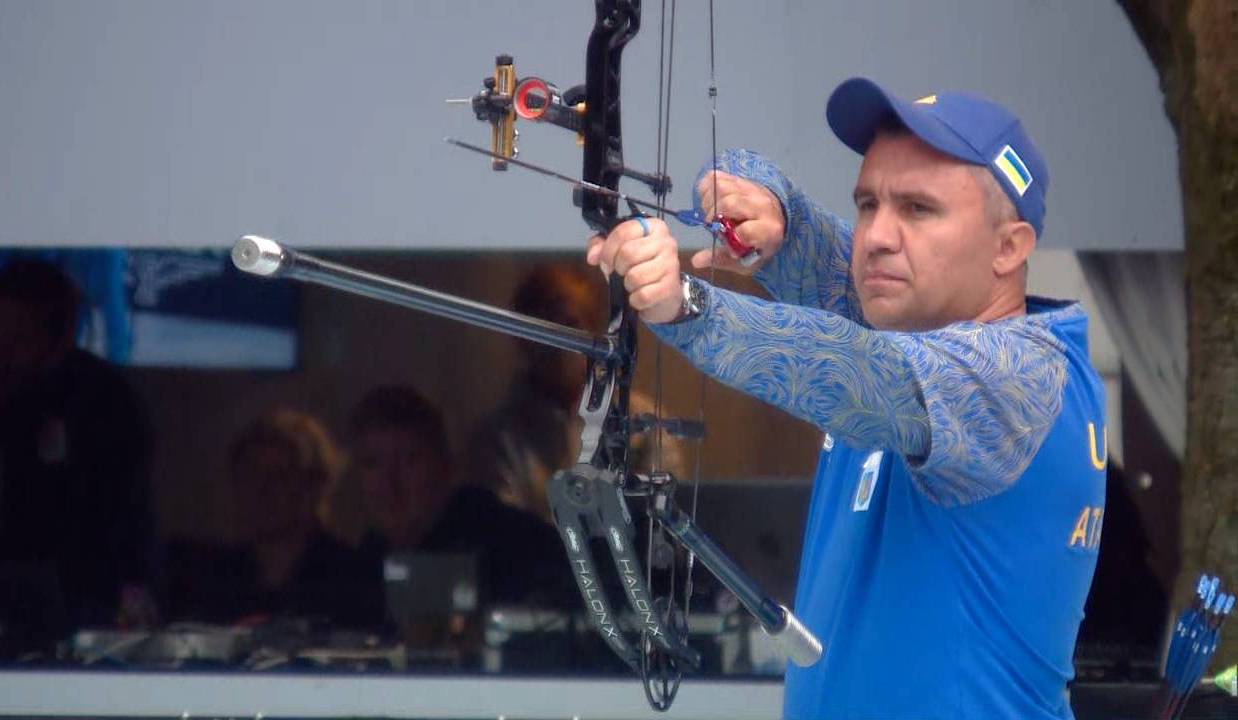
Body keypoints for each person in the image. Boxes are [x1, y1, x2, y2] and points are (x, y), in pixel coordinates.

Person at [585, 77, 1106, 719]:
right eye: (867, 204)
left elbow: (856, 369)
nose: (877, 235)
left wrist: (685, 304)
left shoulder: (1019, 376)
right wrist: (763, 204)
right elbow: (811, 249)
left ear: (1008, 248)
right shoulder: (911, 314)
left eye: (918, 209)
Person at [0, 259, 153, 655]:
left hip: (80, 603)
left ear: (59, 338)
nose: (0, 354)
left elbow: (121, 512)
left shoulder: (102, 399)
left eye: (18, 337)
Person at [465, 262, 685, 523]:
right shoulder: (497, 441)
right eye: (543, 328)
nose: (558, 343)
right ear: (521, 339)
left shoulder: (644, 424)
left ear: (595, 334)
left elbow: (666, 519)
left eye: (570, 324)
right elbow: (503, 531)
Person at [342, 385, 571, 627]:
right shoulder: (363, 566)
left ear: (446, 466)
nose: (389, 481)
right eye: (372, 464)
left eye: (410, 460)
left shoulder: (507, 540)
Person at [162, 409, 373, 628]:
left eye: (278, 477)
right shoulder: (217, 578)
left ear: (313, 486)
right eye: (250, 475)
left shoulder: (351, 577)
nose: (261, 490)